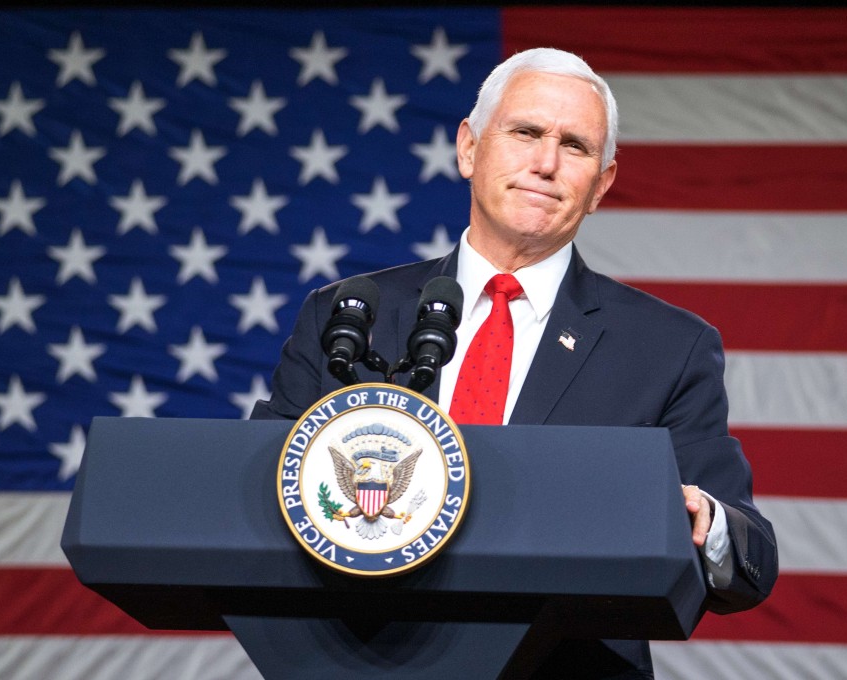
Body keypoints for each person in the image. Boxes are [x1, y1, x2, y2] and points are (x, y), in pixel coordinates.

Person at [253, 47, 777, 678]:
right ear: (469, 148)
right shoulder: (347, 314)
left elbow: (748, 556)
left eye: (576, 146)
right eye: (526, 132)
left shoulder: (668, 345)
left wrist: (705, 520)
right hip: (361, 658)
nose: (546, 163)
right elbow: (259, 489)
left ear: (601, 185)